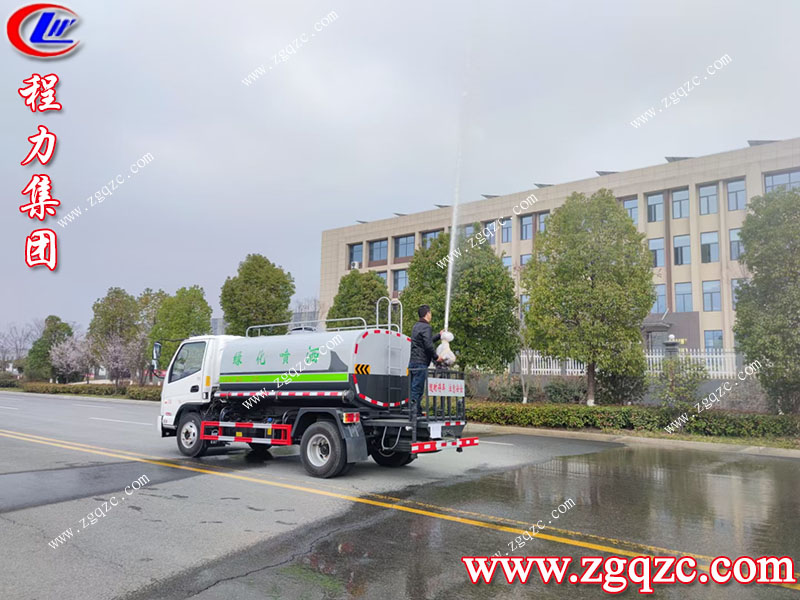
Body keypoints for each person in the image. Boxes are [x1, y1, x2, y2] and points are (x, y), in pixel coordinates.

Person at [408, 305, 445, 414]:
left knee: (414, 388)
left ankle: (416, 411)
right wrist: (436, 357)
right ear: (427, 314)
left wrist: (439, 335)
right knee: (418, 389)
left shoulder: (416, 326)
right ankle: (414, 413)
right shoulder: (426, 327)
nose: (431, 315)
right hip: (421, 362)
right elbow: (428, 346)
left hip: (413, 362)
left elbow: (425, 341)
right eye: (430, 313)